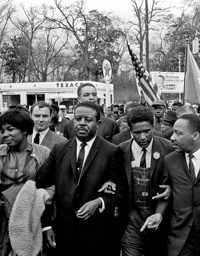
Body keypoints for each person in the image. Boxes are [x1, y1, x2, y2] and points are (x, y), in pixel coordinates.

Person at [36, 101, 125, 256]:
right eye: (78, 119)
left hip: (98, 236)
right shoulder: (60, 149)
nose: (82, 123)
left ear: (98, 124)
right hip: (64, 233)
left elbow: (122, 190)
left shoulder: (111, 151)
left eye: (88, 120)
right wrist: (46, 226)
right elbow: (41, 186)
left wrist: (99, 202)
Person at [142, 114, 200, 256]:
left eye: (178, 133)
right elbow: (165, 194)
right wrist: (158, 214)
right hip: (179, 238)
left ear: (195, 135)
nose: (172, 138)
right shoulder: (169, 160)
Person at [115, 106, 174, 256]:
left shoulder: (168, 149)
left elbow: (178, 180)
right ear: (129, 131)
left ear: (153, 126)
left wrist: (170, 189)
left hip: (161, 218)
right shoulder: (120, 151)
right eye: (137, 133)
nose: (142, 137)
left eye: (147, 131)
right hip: (131, 221)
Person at [0, 109, 52, 255]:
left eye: (10, 129)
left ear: (24, 130)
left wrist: (47, 226)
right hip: (2, 220)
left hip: (33, 219)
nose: (5, 135)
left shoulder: (43, 153)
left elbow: (50, 187)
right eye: (2, 131)